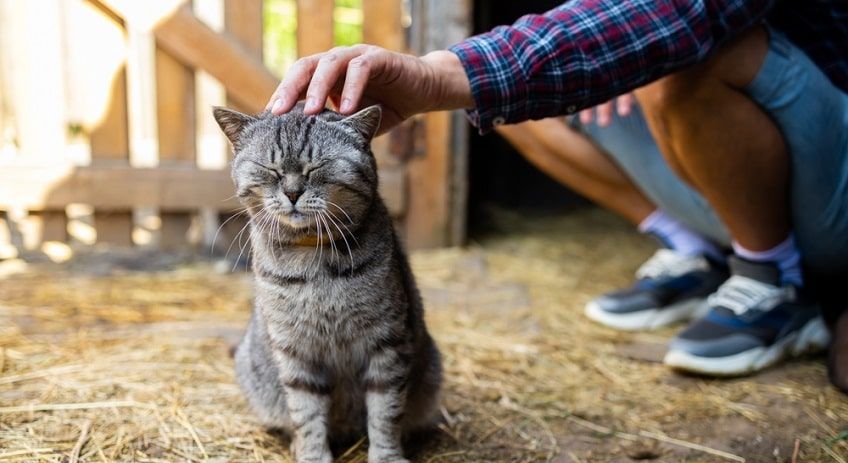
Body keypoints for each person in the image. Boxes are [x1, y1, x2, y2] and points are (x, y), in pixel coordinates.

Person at [266, 1, 848, 392]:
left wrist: (443, 73)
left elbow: (683, 12)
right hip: (760, 166)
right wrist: (619, 65)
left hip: (829, 152)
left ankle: (774, 279)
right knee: (498, 106)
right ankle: (696, 248)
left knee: (691, 50)